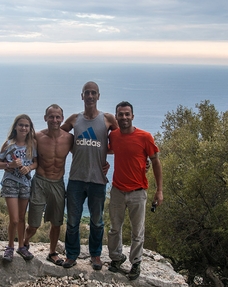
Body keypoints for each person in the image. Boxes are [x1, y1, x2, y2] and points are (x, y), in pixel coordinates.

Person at [60, 81, 118, 270]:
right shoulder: (75, 119)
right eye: (87, 93)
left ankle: (95, 255)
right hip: (76, 178)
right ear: (82, 96)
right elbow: (60, 137)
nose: (90, 96)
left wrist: (105, 155)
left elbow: (121, 141)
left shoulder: (108, 119)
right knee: (73, 220)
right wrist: (70, 149)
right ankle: (71, 255)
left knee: (97, 221)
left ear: (98, 96)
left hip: (98, 180)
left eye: (94, 93)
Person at [107, 101, 163, 281]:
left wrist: (159, 190)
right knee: (114, 228)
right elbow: (107, 150)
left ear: (132, 116)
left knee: (137, 231)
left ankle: (136, 262)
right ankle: (116, 258)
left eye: (127, 114)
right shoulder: (113, 136)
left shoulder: (145, 137)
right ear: (116, 117)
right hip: (117, 190)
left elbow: (155, 161)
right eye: (120, 114)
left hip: (138, 192)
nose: (124, 117)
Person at [23, 104, 73, 266]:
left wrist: (103, 165)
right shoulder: (37, 137)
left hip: (58, 183)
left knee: (57, 222)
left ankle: (52, 252)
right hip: (39, 182)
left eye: (58, 117)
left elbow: (85, 154)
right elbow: (19, 148)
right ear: (45, 118)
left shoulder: (69, 138)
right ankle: (24, 242)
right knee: (34, 224)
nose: (54, 120)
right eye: (51, 116)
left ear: (62, 119)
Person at [0, 114, 38, 262]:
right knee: (13, 219)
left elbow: (36, 163)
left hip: (25, 184)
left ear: (30, 128)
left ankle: (21, 247)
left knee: (21, 218)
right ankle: (10, 247)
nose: (24, 128)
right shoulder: (8, 145)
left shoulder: (32, 145)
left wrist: (29, 167)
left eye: (26, 125)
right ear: (15, 127)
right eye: (21, 125)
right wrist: (9, 165)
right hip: (10, 183)